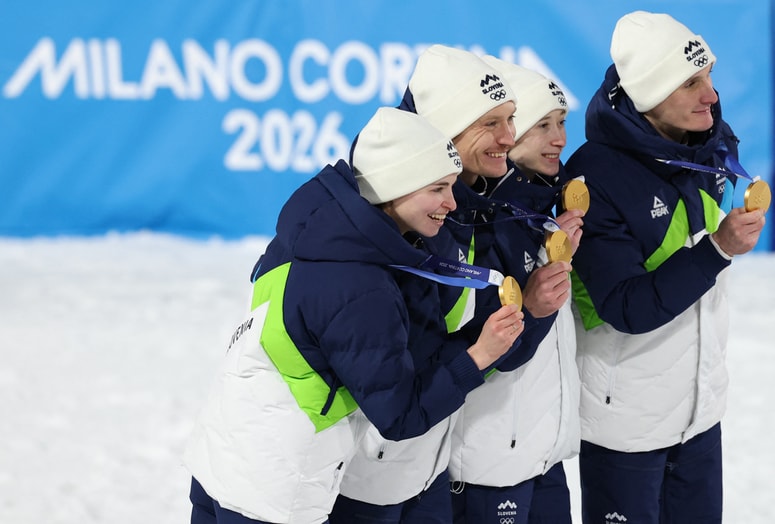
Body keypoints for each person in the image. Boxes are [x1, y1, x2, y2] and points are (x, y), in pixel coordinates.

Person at [182, 106, 525, 524]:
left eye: (452, 186)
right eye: (438, 188)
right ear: (396, 186)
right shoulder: (360, 284)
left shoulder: (317, 229)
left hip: (220, 461)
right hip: (277, 493)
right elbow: (399, 415)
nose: (451, 204)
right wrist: (478, 356)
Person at [331, 44, 578, 524]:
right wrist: (524, 316)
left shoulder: (472, 211)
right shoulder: (395, 226)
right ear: (444, 130)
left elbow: (463, 346)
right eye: (492, 122)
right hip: (374, 474)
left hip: (431, 466)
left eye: (512, 119)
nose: (509, 137)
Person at [565, 11, 766, 523]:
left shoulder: (707, 147)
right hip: (626, 430)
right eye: (691, 82)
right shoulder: (594, 176)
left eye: (710, 76)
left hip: (701, 416)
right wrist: (717, 249)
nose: (711, 95)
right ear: (649, 94)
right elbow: (626, 306)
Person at [443, 56, 583, 524]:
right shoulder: (477, 218)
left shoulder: (550, 206)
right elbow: (489, 347)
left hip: (544, 451)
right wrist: (539, 292)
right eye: (543, 125)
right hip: (489, 459)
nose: (559, 139)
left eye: (561, 122)